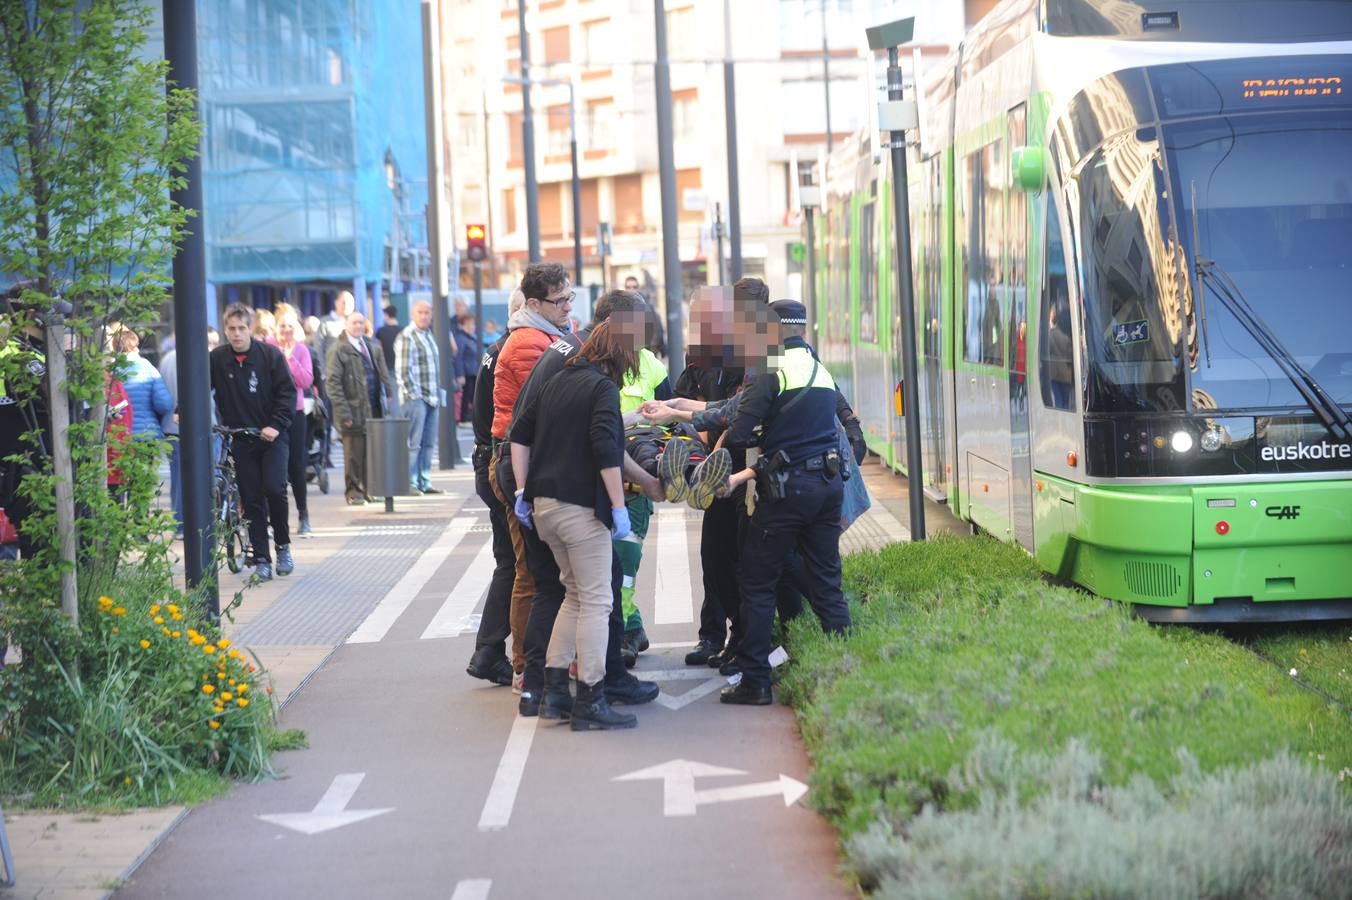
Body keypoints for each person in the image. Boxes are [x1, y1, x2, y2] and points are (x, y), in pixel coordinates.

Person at [504, 290, 662, 715]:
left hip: (543, 506)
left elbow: (522, 433)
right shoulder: (601, 388)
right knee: (597, 601)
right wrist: (619, 509)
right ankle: (591, 697)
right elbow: (606, 451)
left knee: (572, 596)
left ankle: (554, 691)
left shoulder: (559, 379)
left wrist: (522, 493)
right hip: (578, 509)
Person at [720, 297, 852, 705]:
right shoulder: (819, 369)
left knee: (758, 581)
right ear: (803, 329)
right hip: (828, 486)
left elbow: (739, 434)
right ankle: (849, 674)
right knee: (827, 582)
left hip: (786, 489)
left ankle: (755, 682)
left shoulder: (769, 369)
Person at [491, 262, 574, 687]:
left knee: (539, 572)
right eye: (559, 301)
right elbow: (544, 408)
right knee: (534, 574)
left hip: (527, 460)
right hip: (520, 463)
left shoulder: (546, 335)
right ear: (535, 304)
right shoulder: (528, 343)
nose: (567, 307)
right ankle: (525, 666)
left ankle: (539, 663)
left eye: (569, 297)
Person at [209, 304, 297, 581]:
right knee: (251, 498)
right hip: (241, 438)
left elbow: (287, 394)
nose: (236, 334)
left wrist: (275, 425)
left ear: (250, 329)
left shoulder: (270, 356)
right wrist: (182, 410)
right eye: (231, 329)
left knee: (274, 488)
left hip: (271, 437)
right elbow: (199, 387)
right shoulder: (218, 359)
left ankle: (282, 546)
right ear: (225, 330)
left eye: (241, 328)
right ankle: (261, 559)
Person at [465, 290, 526, 687]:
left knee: (509, 560)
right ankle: (493, 651)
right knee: (518, 565)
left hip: (488, 460)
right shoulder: (512, 351)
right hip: (500, 461)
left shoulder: (496, 349)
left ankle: (488, 650)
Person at [326, 309, 393, 505]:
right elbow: (333, 384)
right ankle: (353, 492)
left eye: (361, 322)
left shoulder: (370, 346)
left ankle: (368, 490)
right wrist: (344, 412)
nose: (358, 326)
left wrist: (388, 393)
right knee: (353, 455)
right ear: (346, 325)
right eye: (354, 322)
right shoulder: (338, 349)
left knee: (370, 453)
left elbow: (381, 373)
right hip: (352, 411)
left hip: (373, 409)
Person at [273, 307, 315, 535]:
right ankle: (274, 519)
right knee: (274, 468)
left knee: (297, 465)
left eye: (290, 326)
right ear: (275, 328)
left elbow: (305, 381)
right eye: (282, 325)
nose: (286, 330)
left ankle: (303, 514)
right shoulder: (268, 347)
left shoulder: (301, 350)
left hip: (295, 412)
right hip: (271, 413)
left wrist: (290, 359)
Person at [394, 300, 443, 495]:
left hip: (432, 397)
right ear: (413, 315)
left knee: (428, 443)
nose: (424, 316)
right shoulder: (407, 336)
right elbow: (402, 372)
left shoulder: (428, 335)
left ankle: (425, 481)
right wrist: (415, 396)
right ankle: (410, 483)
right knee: (413, 444)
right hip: (416, 399)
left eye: (427, 312)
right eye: (420, 312)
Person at [453, 313, 478, 423]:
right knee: (466, 396)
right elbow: (458, 357)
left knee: (473, 395)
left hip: (474, 371)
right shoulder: (461, 338)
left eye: (473, 324)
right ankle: (464, 417)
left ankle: (470, 416)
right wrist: (460, 374)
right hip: (467, 373)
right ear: (462, 325)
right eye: (468, 324)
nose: (471, 326)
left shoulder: (472, 337)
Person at [375, 304, 402, 372]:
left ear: (387, 315)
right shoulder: (403, 331)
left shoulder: (381, 331)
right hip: (400, 366)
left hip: (386, 367)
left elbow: (378, 349)